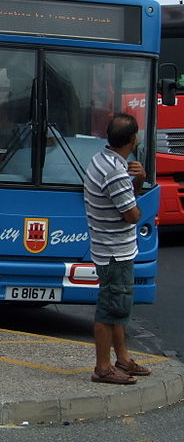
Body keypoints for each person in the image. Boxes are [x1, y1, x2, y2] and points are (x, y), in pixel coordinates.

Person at [83, 113, 152, 385]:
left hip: (106, 247)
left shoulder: (101, 161)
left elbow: (124, 196)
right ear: (133, 139)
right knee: (109, 309)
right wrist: (134, 186)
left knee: (119, 307)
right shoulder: (115, 172)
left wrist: (137, 179)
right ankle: (103, 368)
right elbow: (132, 214)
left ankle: (122, 358)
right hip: (115, 251)